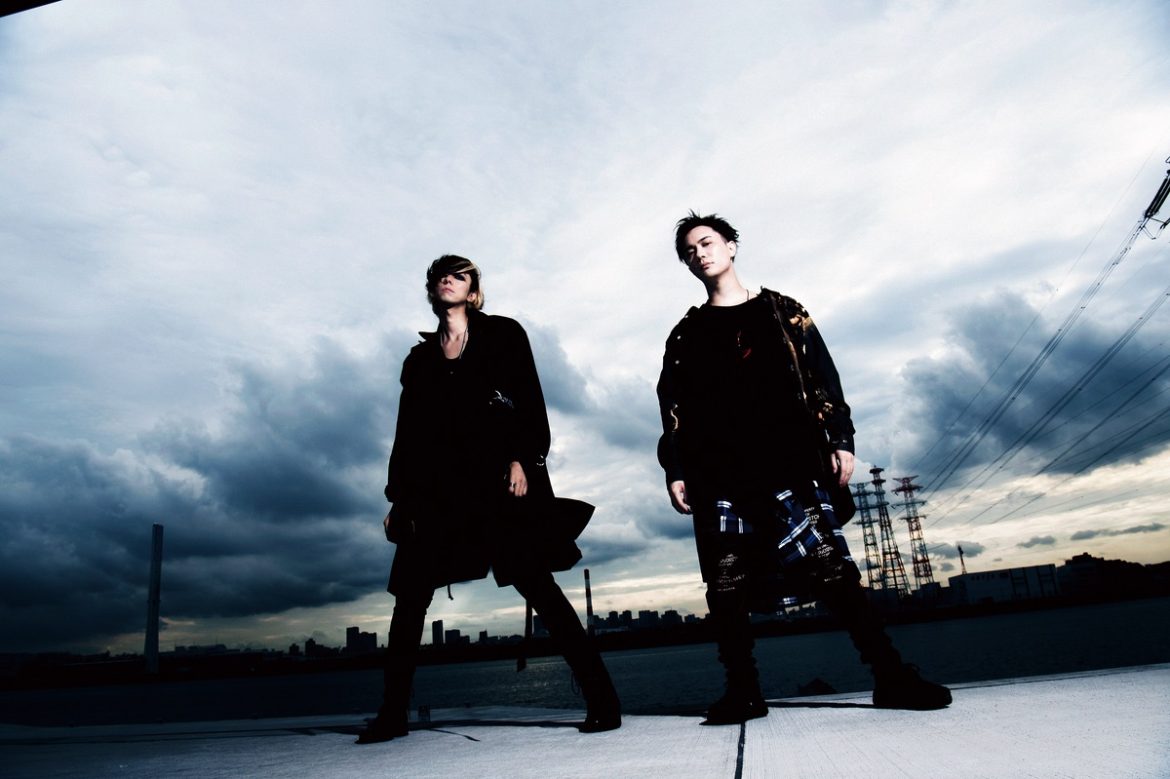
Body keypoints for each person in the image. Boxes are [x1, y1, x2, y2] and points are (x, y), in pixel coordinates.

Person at [656, 212, 951, 725]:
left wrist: (840, 439)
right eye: (689, 251)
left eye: (706, 242)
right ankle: (743, 692)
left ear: (731, 246)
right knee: (726, 584)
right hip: (719, 471)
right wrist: (676, 468)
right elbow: (673, 407)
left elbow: (822, 378)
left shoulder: (784, 312)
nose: (699, 254)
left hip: (786, 463)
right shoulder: (686, 335)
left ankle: (891, 676)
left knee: (834, 572)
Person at [357, 254, 620, 744]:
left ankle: (603, 699)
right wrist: (398, 498)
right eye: (440, 276)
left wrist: (523, 458)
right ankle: (392, 715)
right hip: (433, 492)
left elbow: (530, 399)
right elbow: (407, 433)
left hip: (495, 480)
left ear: (473, 291)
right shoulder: (418, 360)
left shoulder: (503, 334)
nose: (447, 280)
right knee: (409, 597)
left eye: (459, 275)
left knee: (536, 584)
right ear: (431, 291)